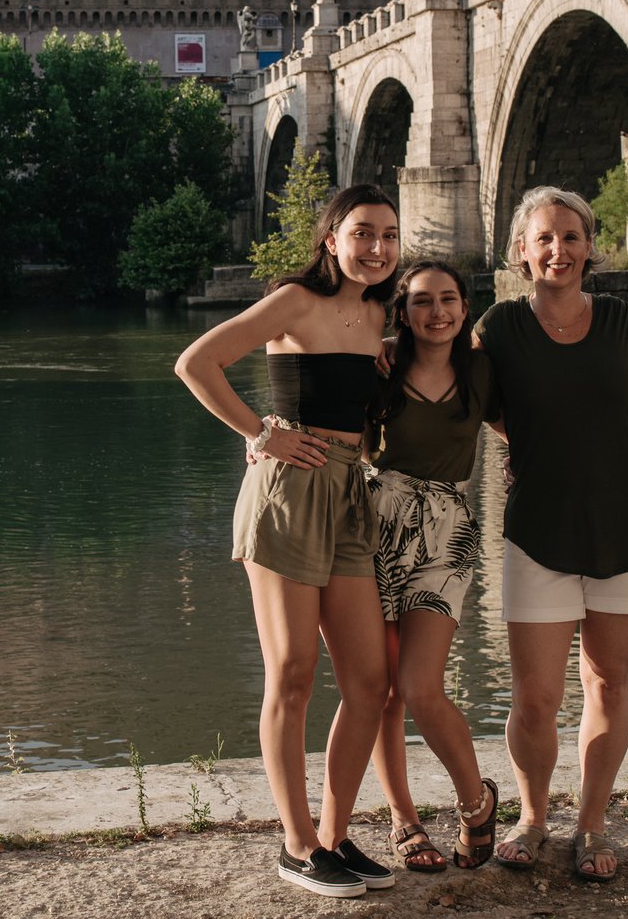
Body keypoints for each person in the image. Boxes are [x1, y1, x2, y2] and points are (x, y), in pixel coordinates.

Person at [173, 185, 401, 900]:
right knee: (295, 672)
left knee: (370, 680)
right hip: (288, 492)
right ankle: (296, 843)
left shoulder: (375, 314)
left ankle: (334, 836)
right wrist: (260, 431)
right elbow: (196, 362)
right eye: (363, 232)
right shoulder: (294, 300)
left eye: (389, 236)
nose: (377, 247)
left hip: (348, 494)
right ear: (331, 236)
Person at [474, 186, 628, 884]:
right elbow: (468, 400)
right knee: (536, 695)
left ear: (590, 246)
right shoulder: (499, 326)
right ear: (522, 250)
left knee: (608, 681)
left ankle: (593, 821)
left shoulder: (620, 321)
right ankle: (531, 816)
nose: (558, 249)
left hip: (623, 525)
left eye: (571, 236)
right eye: (544, 238)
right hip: (537, 531)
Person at [356, 261, 501, 874]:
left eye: (447, 299)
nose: (436, 311)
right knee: (384, 690)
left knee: (421, 686)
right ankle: (404, 819)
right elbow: (343, 440)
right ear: (403, 311)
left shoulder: (485, 370)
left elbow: (522, 424)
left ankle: (477, 803)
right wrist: (261, 439)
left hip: (448, 531)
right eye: (421, 301)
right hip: (375, 526)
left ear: (466, 307)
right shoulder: (379, 369)